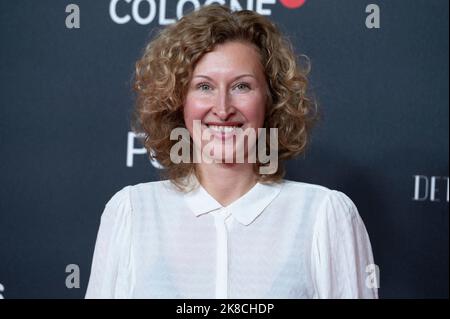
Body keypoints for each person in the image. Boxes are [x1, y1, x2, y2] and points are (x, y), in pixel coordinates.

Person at [85, 4, 378, 299]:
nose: (223, 108)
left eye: (241, 86)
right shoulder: (132, 212)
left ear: (271, 99)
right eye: (204, 87)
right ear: (178, 101)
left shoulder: (324, 216)